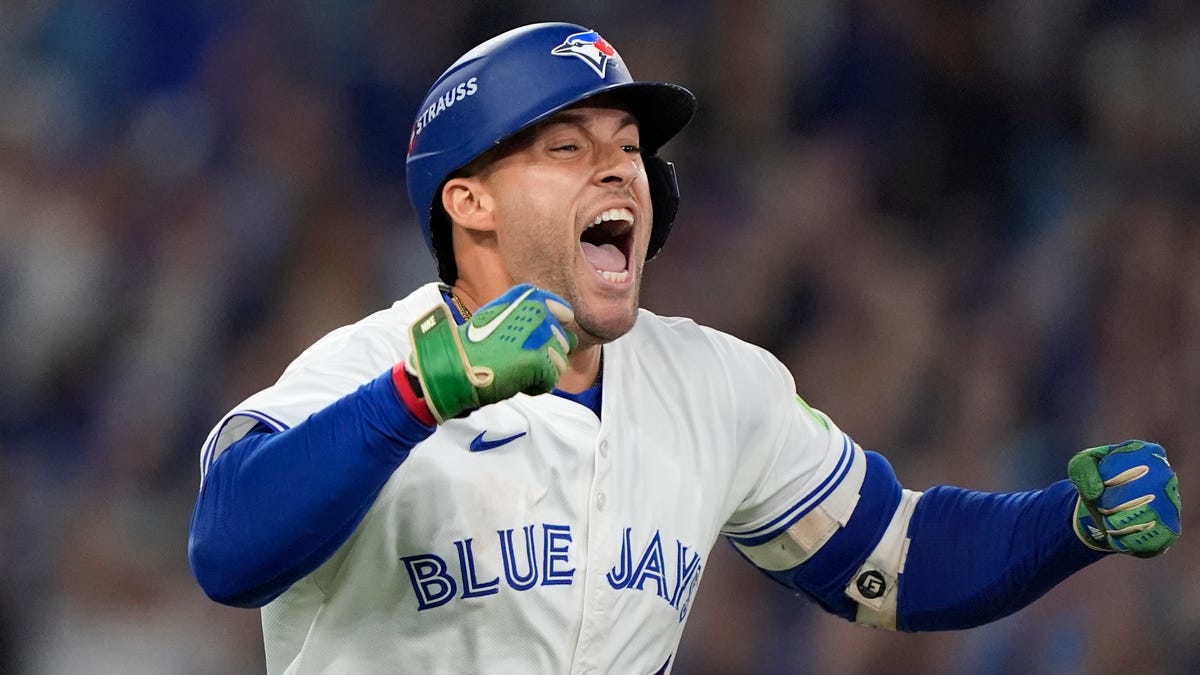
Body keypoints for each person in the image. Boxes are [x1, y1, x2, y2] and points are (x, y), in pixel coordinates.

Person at [188, 22, 1182, 674]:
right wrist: (413, 398)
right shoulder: (371, 364)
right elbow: (227, 551)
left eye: (630, 149)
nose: (621, 171)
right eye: (569, 148)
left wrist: (1070, 526)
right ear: (470, 202)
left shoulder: (716, 383)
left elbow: (896, 558)